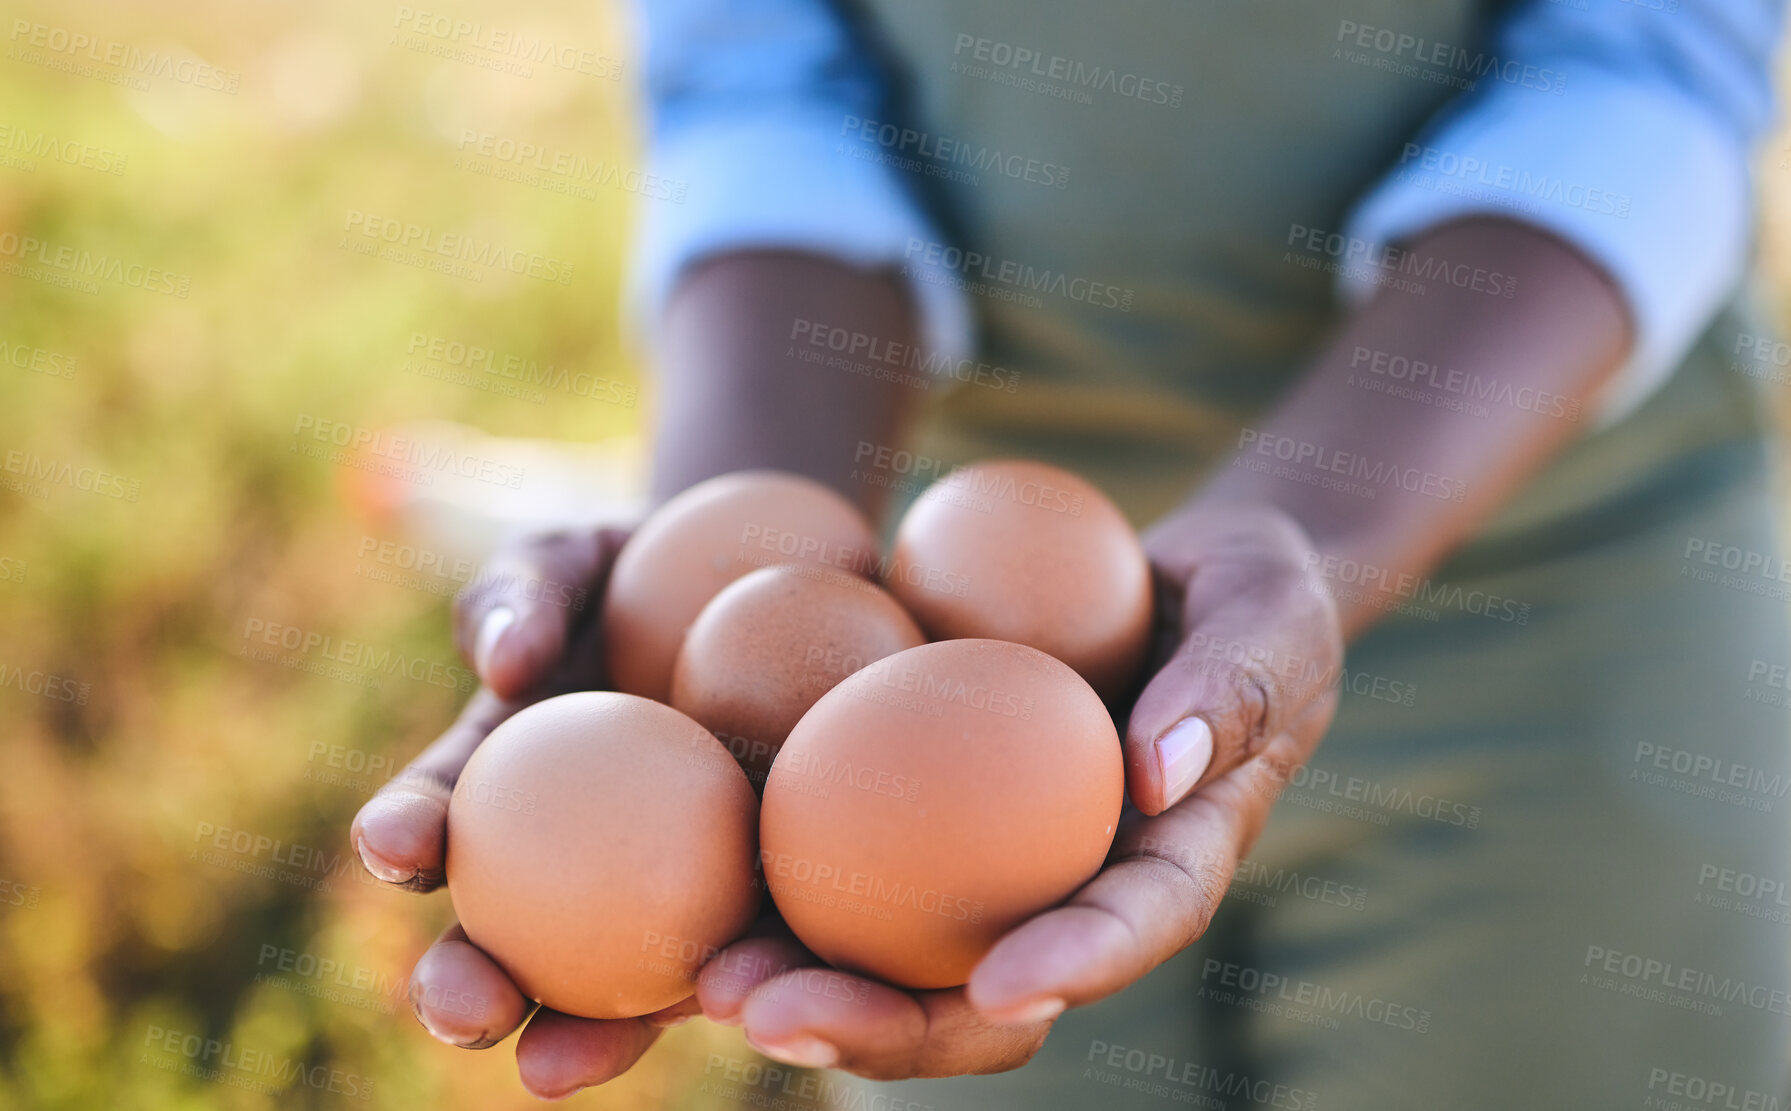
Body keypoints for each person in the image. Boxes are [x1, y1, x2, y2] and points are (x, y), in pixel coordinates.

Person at [352, 1, 1791, 1105]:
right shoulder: (869, 706)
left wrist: (1306, 530)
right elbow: (759, 80)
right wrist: (743, 531)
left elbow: (1648, 65)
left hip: (1559, 560)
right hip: (929, 579)